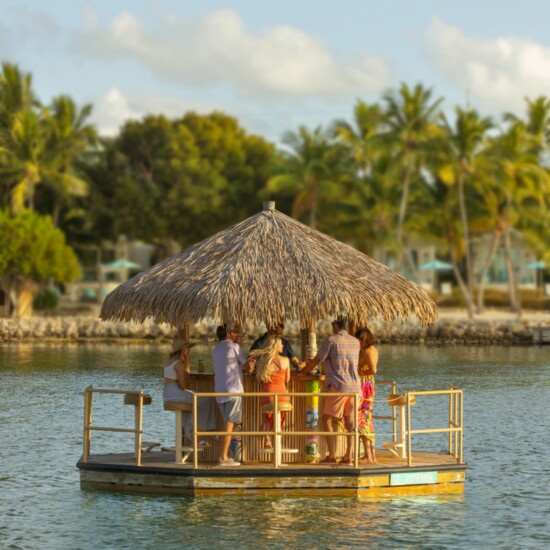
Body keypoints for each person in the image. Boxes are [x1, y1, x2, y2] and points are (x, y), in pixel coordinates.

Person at [299, 316, 361, 464]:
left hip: (339, 385)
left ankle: (332, 455)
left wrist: (303, 372)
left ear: (336, 325)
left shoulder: (331, 341)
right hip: (355, 387)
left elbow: (316, 360)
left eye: (332, 324)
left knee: (326, 419)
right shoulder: (356, 342)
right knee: (351, 423)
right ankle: (348, 456)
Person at [212, 324, 255, 466]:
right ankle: (223, 457)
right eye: (234, 332)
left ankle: (224, 455)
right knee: (229, 424)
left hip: (220, 391)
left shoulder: (215, 350)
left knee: (227, 423)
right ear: (229, 333)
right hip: (233, 390)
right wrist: (252, 362)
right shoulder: (234, 347)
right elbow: (247, 367)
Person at [163, 337, 216, 447]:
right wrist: (186, 361)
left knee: (193, 403)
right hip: (176, 393)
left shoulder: (169, 361)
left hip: (167, 394)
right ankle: (201, 434)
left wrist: (186, 360)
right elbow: (184, 386)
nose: (188, 350)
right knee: (205, 399)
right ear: (180, 349)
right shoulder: (180, 364)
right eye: (186, 348)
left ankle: (195, 436)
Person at [250, 336, 290, 449]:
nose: (282, 346)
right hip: (283, 395)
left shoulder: (263, 360)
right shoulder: (286, 360)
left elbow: (259, 380)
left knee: (266, 416)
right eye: (281, 344)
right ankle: (278, 442)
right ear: (276, 346)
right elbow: (287, 379)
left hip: (268, 394)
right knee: (279, 417)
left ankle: (267, 440)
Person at [355, 328, 378, 464]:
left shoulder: (368, 351)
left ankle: (368, 455)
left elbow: (373, 370)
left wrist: (360, 373)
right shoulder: (374, 350)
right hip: (369, 386)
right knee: (367, 419)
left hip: (365, 386)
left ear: (363, 339)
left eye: (359, 340)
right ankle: (371, 455)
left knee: (362, 419)